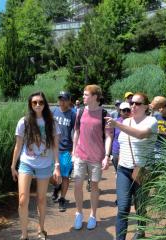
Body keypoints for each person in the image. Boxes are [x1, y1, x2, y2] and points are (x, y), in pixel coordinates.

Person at [105, 92, 158, 240]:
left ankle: (140, 232)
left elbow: (140, 135)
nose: (133, 106)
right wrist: (115, 162)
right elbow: (122, 145)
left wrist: (117, 124)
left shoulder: (151, 121)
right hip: (124, 170)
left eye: (138, 103)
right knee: (123, 208)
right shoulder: (125, 122)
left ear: (146, 107)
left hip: (143, 170)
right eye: (132, 103)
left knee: (140, 206)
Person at [10, 91, 62, 240]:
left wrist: (57, 165)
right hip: (26, 163)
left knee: (41, 199)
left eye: (41, 102)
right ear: (30, 105)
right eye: (35, 102)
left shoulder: (51, 123)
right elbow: (18, 146)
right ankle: (24, 234)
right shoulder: (24, 122)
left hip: (44, 164)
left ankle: (41, 229)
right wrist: (13, 165)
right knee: (22, 199)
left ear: (45, 104)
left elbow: (55, 146)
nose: (38, 105)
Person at [72, 84, 113, 230]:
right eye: (83, 94)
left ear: (95, 97)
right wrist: (73, 151)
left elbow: (108, 136)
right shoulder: (80, 111)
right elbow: (76, 132)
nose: (83, 97)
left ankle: (92, 215)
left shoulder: (104, 114)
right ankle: (78, 213)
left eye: (86, 95)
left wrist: (107, 156)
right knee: (77, 184)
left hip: (96, 157)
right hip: (80, 155)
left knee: (94, 186)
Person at [51, 91, 76, 212]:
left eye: (64, 99)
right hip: (52, 149)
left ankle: (62, 198)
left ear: (69, 101)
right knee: (53, 176)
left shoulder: (73, 114)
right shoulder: (53, 111)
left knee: (65, 176)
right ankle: (56, 187)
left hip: (66, 149)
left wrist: (74, 150)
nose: (62, 101)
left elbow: (76, 132)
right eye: (60, 99)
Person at [111, 102, 131, 172]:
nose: (126, 112)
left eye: (128, 110)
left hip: (128, 152)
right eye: (124, 110)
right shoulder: (115, 122)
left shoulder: (133, 122)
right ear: (120, 111)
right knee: (118, 171)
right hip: (116, 150)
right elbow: (111, 137)